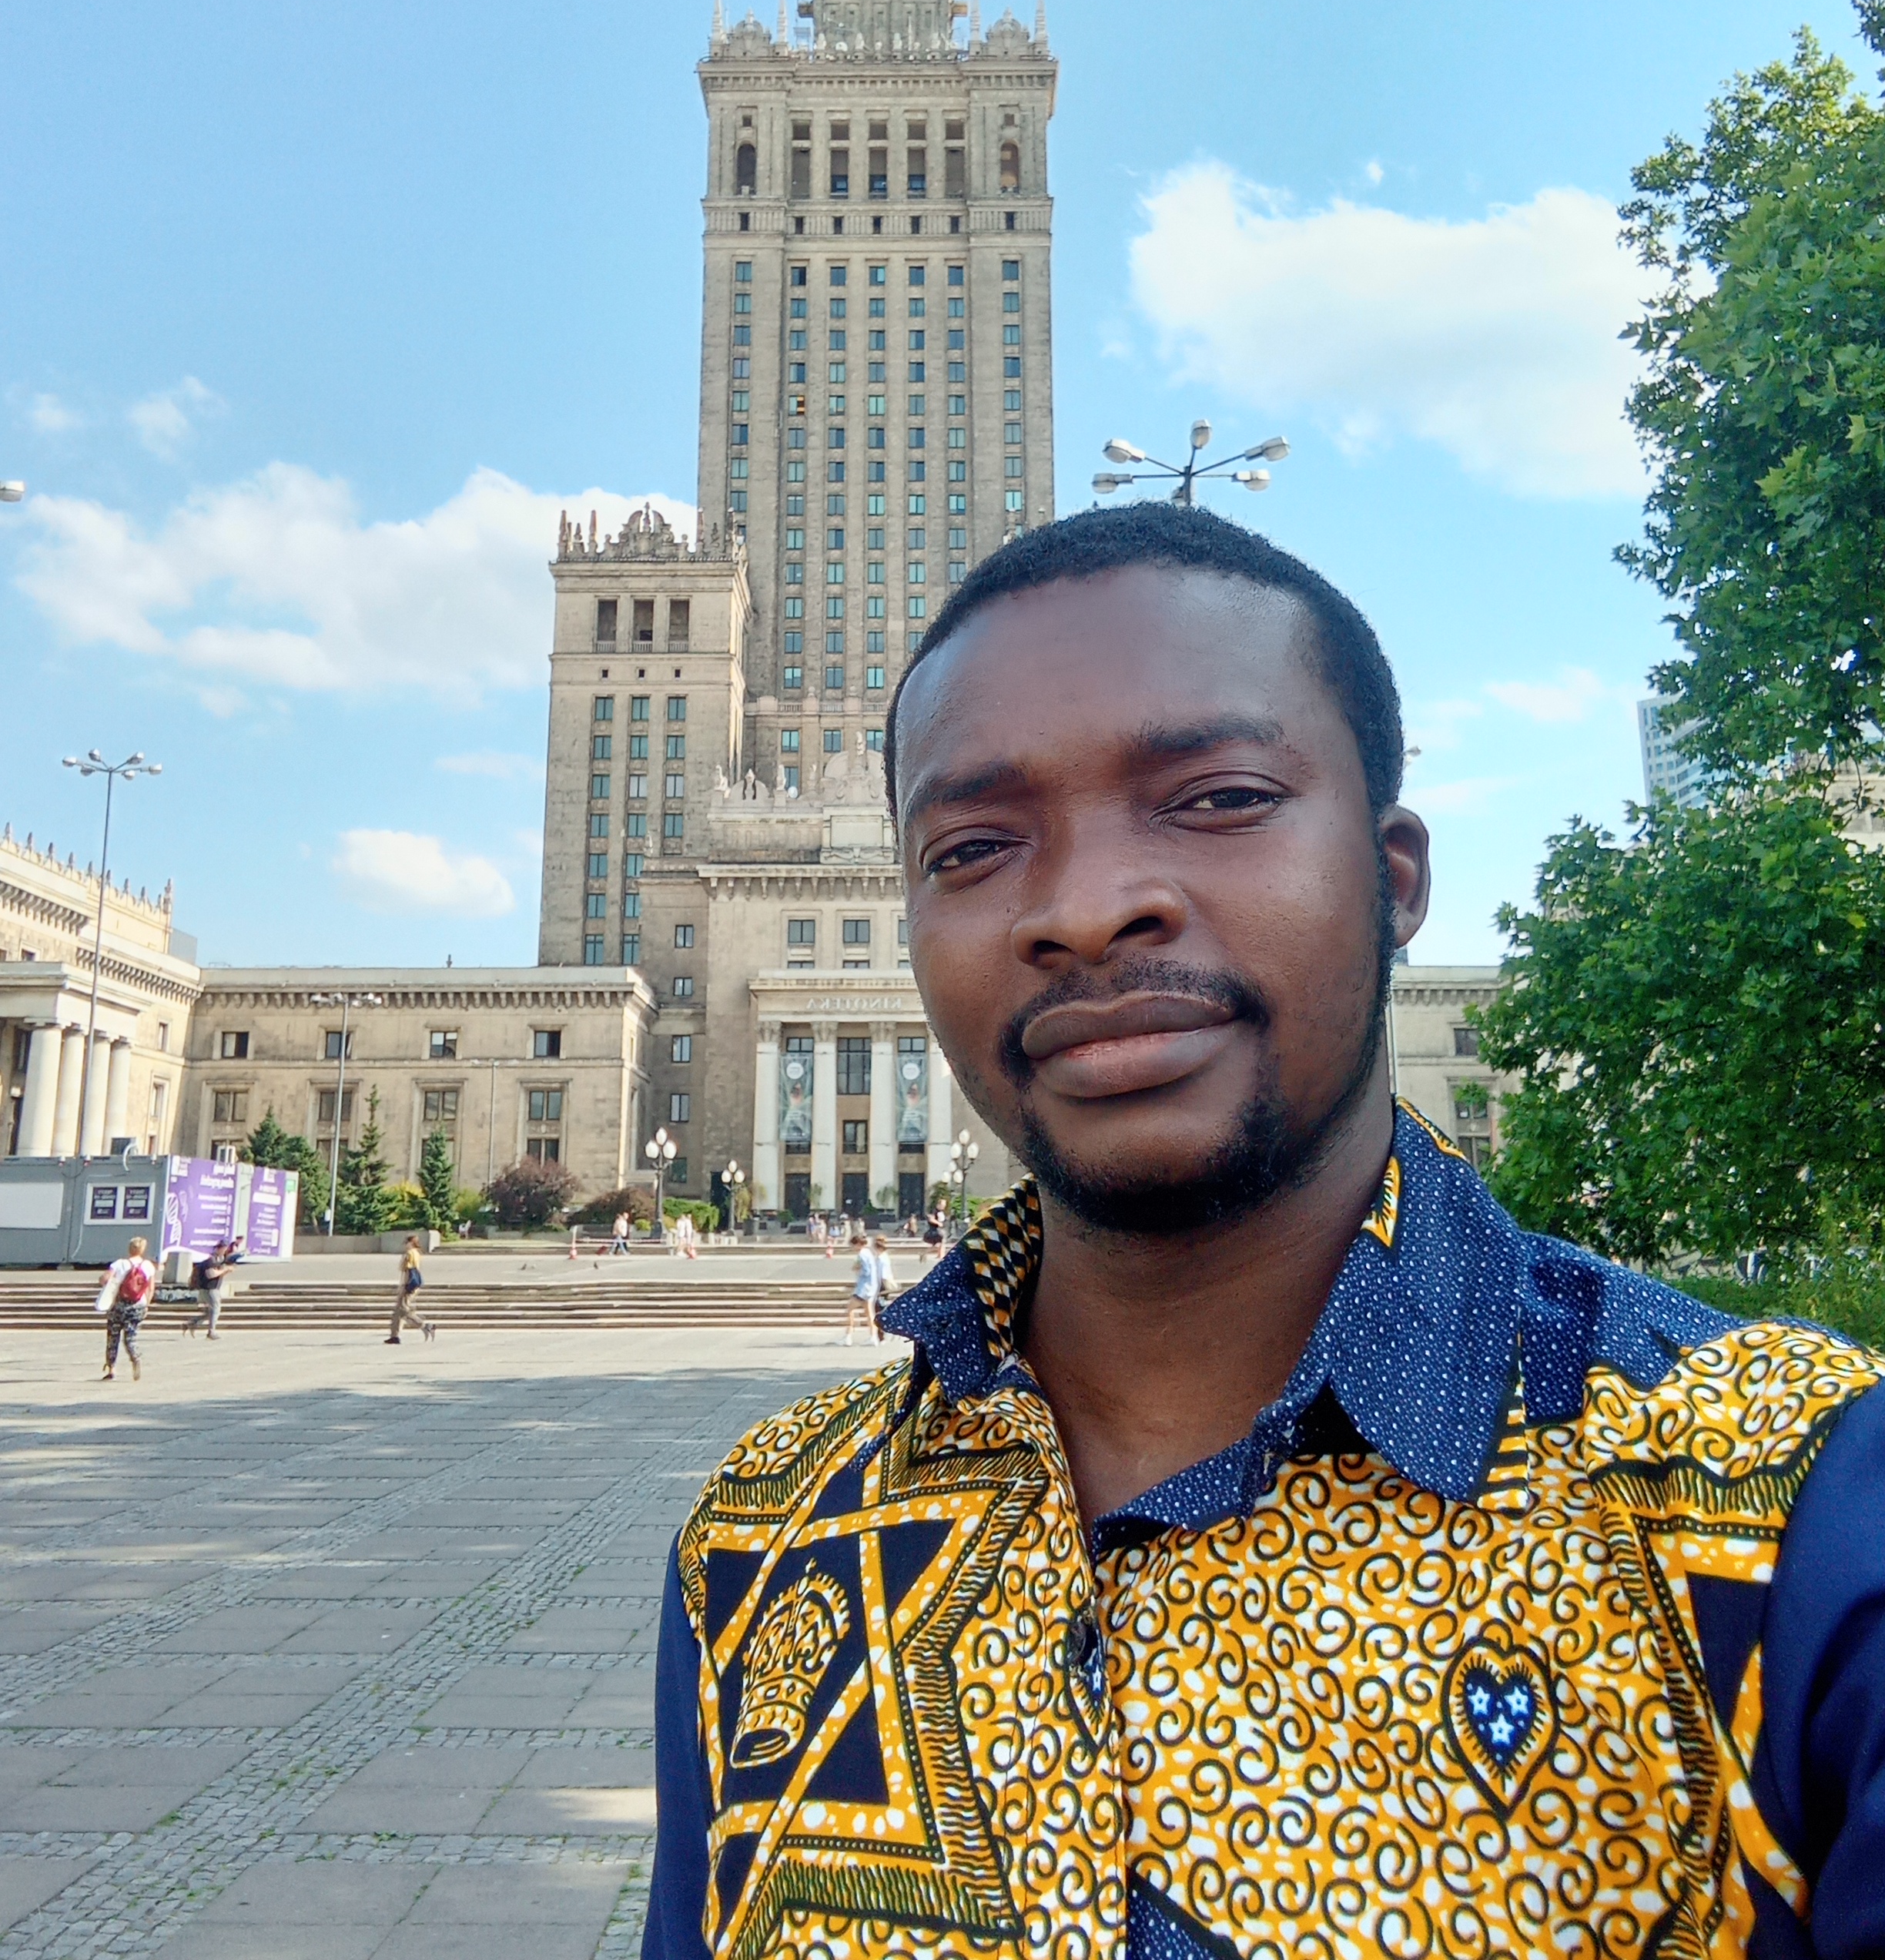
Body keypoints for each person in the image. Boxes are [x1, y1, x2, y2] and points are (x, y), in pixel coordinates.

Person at [644, 504, 1885, 1960]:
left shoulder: (1794, 1514)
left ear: (1393, 878)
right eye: (973, 846)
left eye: (1219, 797)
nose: (1088, 908)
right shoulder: (761, 1539)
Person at [95, 1237, 156, 1382]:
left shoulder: (120, 1264)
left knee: (113, 1337)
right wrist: (146, 1305)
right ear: (142, 1250)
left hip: (119, 1305)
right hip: (138, 1306)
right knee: (131, 1337)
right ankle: (135, 1356)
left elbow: (104, 1279)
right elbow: (151, 1288)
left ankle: (112, 1370)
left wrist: (104, 1281)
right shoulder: (148, 1266)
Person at [189, 1236, 240, 1338]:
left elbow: (218, 1275)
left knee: (211, 1311)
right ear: (221, 1248)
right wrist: (225, 1270)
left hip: (212, 1288)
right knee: (215, 1309)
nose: (225, 1250)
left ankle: (192, 1323)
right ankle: (211, 1332)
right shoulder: (211, 1260)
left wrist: (227, 1271)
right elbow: (210, 1275)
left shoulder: (219, 1260)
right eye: (224, 1248)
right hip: (209, 1289)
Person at [387, 1235, 427, 1345]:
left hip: (408, 1285)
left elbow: (408, 1272)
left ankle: (424, 1325)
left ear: (411, 1243)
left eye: (407, 1243)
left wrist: (403, 1286)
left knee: (403, 1310)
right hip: (412, 1285)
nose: (405, 1245)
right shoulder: (417, 1253)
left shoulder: (409, 1254)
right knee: (397, 1312)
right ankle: (394, 1336)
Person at [840, 1231, 879, 1346]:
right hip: (871, 1287)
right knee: (869, 1312)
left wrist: (857, 1269)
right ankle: (873, 1336)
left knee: (850, 1310)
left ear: (857, 1244)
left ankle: (848, 1336)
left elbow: (866, 1271)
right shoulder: (868, 1253)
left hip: (863, 1288)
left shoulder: (862, 1255)